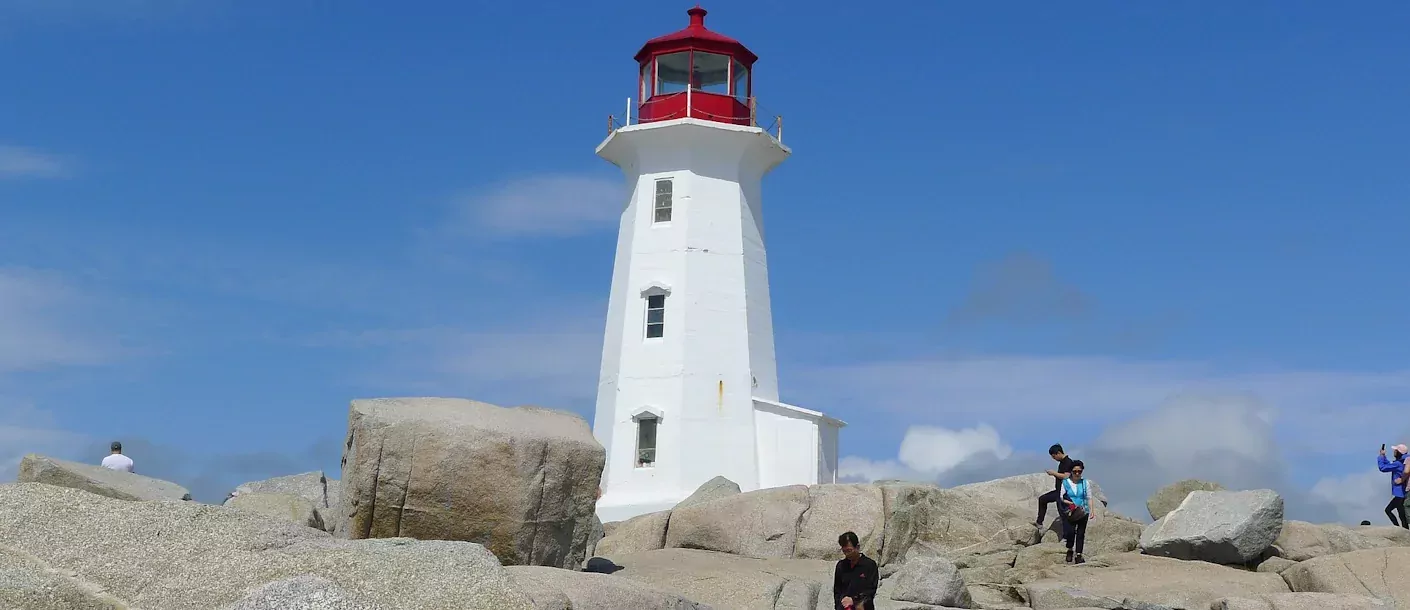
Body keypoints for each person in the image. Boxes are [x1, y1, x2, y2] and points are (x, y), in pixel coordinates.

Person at [833, 531, 878, 610]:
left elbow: (871, 590)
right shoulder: (841, 566)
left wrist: (854, 600)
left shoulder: (869, 565)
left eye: (849, 551)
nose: (847, 554)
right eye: (844, 551)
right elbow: (837, 592)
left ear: (857, 547)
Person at [1036, 443, 1075, 528]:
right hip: (1058, 491)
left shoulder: (1068, 462)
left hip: (1065, 492)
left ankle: (1067, 536)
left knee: (1063, 512)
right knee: (1042, 499)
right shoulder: (1062, 462)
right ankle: (1039, 522)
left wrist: (1054, 473)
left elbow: (1066, 476)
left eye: (1054, 456)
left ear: (1058, 453)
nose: (1053, 459)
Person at [1061, 460, 1091, 564]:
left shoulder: (1085, 483)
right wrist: (1070, 503)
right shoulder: (1065, 483)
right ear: (1071, 472)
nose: (1077, 473)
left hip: (1083, 511)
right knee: (1070, 532)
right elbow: (1061, 497)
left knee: (1081, 533)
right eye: (1075, 471)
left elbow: (1089, 497)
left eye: (1079, 471)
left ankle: (1079, 555)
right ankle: (1069, 549)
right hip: (1071, 511)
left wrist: (1092, 511)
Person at [1377, 444, 1408, 528]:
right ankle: (1400, 529)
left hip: (1400, 493)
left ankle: (1399, 529)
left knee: (1398, 514)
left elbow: (1383, 467)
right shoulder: (1402, 462)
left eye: (1396, 450)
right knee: (1400, 514)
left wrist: (1380, 456)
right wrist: (1384, 456)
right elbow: (1389, 464)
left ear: (1399, 452)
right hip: (1402, 492)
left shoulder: (1398, 464)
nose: (1394, 451)